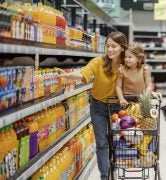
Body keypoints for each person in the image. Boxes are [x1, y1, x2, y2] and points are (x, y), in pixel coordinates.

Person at [57, 31, 128, 180]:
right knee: (102, 142)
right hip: (99, 107)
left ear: (122, 47)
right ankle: (104, 176)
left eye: (114, 46)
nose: (109, 49)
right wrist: (70, 75)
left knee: (118, 141)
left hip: (118, 108)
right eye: (107, 46)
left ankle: (117, 169)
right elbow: (84, 73)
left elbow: (138, 78)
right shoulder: (98, 62)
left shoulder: (127, 64)